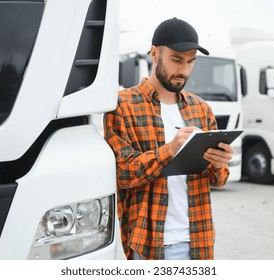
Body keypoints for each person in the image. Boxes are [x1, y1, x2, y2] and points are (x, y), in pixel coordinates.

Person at [104, 18, 233, 260]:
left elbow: (219, 180)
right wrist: (171, 150)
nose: (184, 70)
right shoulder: (122, 106)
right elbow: (122, 174)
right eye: (176, 59)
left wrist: (219, 164)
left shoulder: (201, 109)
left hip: (199, 240)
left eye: (190, 61)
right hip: (150, 243)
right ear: (154, 53)